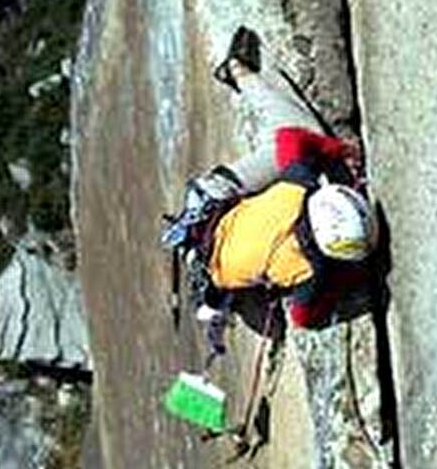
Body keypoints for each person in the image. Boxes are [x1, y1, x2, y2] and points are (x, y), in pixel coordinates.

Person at [163, 27, 382, 350]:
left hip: (213, 206)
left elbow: (291, 141)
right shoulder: (311, 269)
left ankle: (239, 72)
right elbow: (306, 317)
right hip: (214, 215)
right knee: (303, 130)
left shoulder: (298, 191)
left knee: (302, 135)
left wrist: (338, 150)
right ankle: (237, 70)